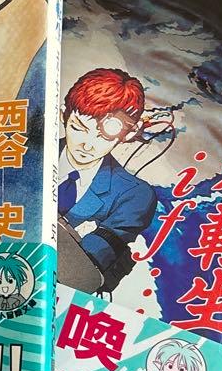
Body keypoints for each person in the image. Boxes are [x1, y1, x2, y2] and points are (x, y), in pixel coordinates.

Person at [58, 68, 158, 292]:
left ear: (129, 134)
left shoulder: (133, 195)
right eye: (78, 128)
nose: (87, 145)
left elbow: (82, 273)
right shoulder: (28, 152)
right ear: (63, 114)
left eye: (103, 136)